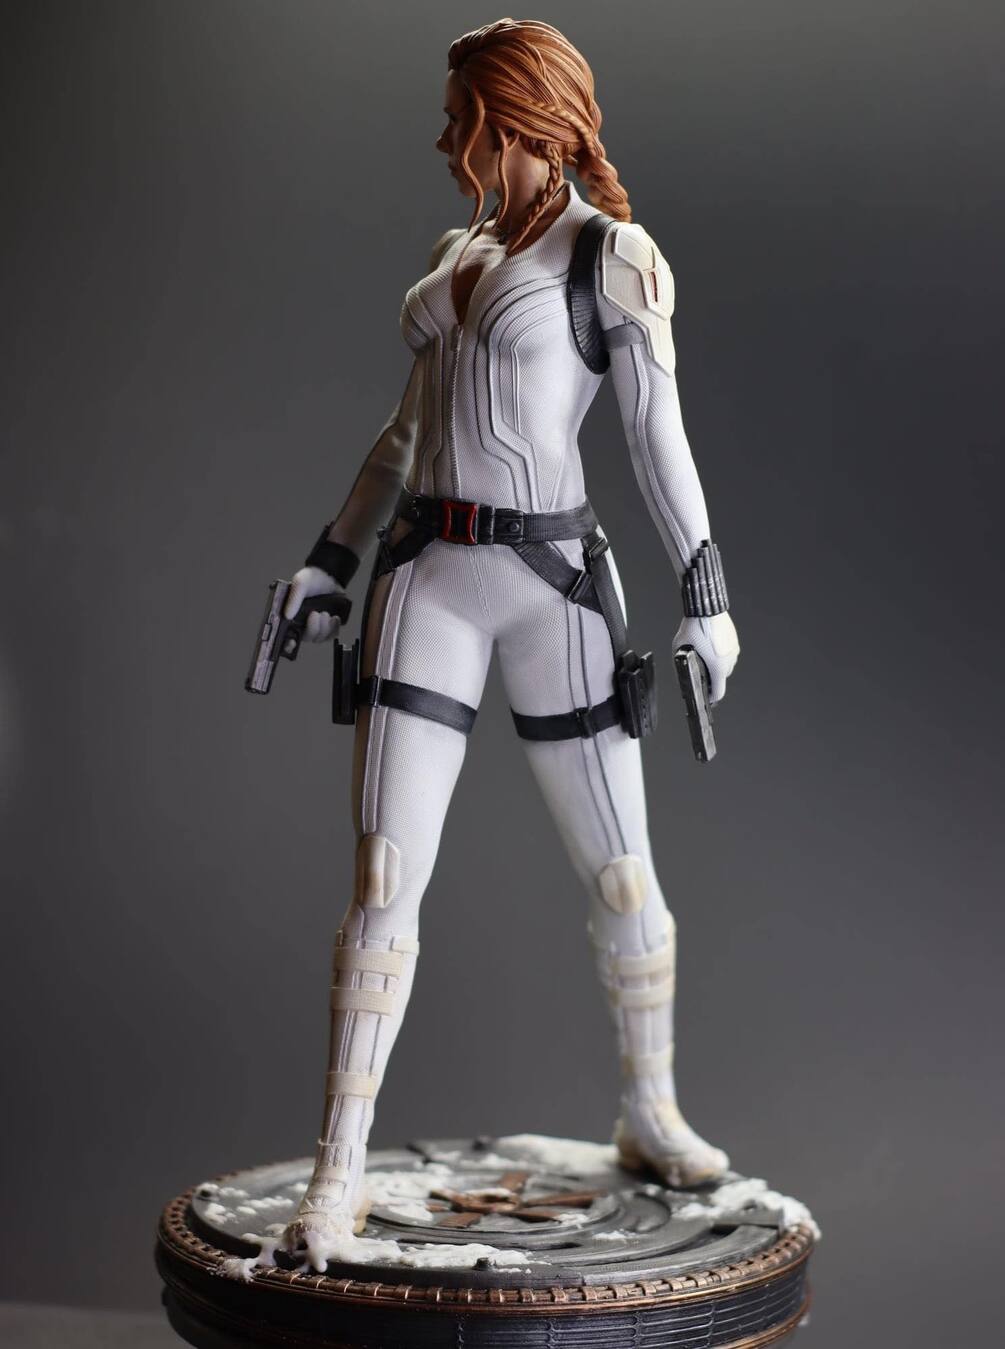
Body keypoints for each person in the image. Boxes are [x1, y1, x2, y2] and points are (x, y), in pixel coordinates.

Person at [277, 19, 740, 1264]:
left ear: (516, 117)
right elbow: (404, 436)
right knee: (384, 877)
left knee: (623, 871)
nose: (445, 141)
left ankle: (650, 1108)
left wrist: (705, 593)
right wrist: (330, 559)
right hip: (429, 575)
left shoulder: (611, 259)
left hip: (553, 586)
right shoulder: (459, 255)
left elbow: (656, 437)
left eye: (460, 119)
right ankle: (337, 1170)